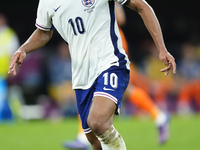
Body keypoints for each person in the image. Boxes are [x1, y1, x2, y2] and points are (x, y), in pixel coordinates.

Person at [8, 0, 176, 149]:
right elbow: (44, 33)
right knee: (95, 141)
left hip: (110, 62)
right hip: (81, 77)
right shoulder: (47, 2)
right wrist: (24, 48)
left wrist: (162, 49)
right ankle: (159, 116)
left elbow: (141, 5)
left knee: (97, 121)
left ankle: (159, 116)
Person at [63, 3, 172, 149]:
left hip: (111, 46)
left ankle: (83, 137)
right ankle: (159, 116)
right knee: (113, 89)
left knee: (98, 88)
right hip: (98, 47)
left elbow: (121, 17)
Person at [0, 13, 20, 122]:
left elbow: (15, 53)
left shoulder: (9, 34)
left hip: (5, 72)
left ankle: (13, 117)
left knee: (8, 96)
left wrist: (14, 69)